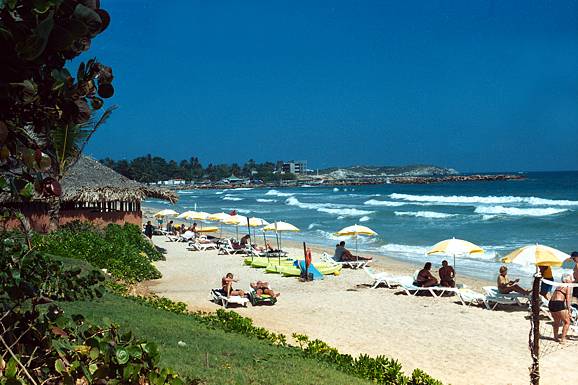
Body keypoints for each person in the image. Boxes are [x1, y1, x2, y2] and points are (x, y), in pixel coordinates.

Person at [549, 274, 573, 343]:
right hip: (558, 303)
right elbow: (568, 300)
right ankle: (562, 339)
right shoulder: (567, 286)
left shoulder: (558, 286)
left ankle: (556, 338)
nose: (571, 280)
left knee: (556, 321)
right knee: (567, 322)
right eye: (570, 279)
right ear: (566, 280)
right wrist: (569, 310)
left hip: (551, 303)